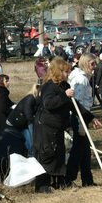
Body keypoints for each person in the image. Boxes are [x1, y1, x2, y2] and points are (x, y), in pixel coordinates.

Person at [33, 58, 74, 193]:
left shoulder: (65, 85)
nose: (68, 74)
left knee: (59, 154)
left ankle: (60, 182)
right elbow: (48, 103)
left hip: (58, 126)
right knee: (47, 154)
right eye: (65, 71)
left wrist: (89, 117)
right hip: (45, 126)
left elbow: (72, 105)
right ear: (58, 72)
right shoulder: (49, 86)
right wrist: (64, 96)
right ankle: (42, 186)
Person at [66, 54, 102, 186]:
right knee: (77, 150)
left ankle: (87, 180)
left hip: (83, 116)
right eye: (92, 64)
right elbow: (78, 103)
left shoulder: (84, 78)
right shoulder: (81, 80)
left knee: (85, 151)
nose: (94, 67)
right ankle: (68, 179)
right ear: (85, 64)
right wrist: (81, 124)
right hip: (79, 118)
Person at [6, 83, 40, 156]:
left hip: (22, 123)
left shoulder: (35, 99)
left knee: (28, 139)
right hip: (14, 124)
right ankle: (29, 154)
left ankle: (29, 153)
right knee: (28, 139)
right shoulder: (30, 99)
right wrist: (37, 121)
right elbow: (28, 115)